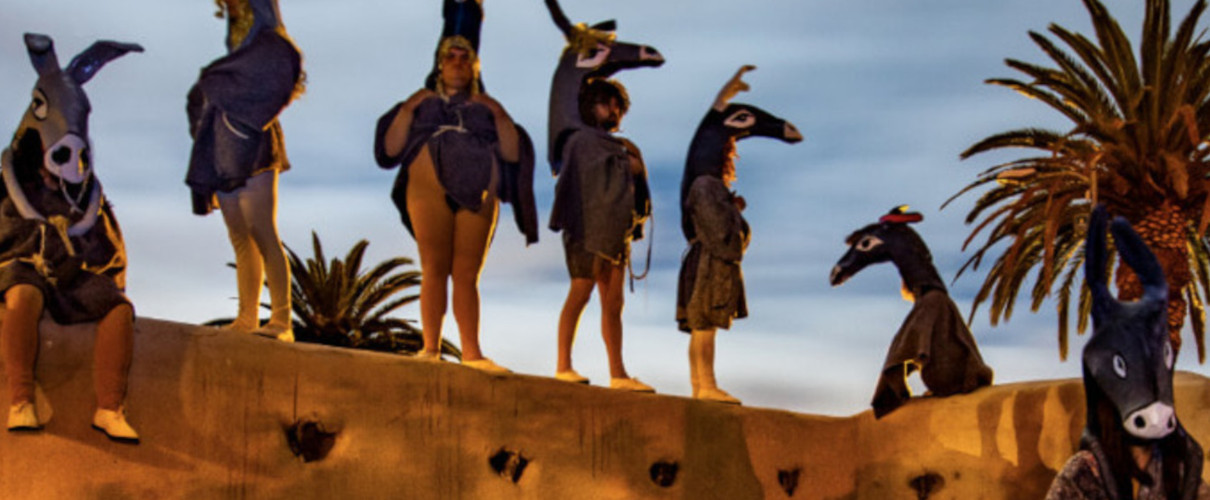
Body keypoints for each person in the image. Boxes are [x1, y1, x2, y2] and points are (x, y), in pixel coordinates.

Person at [374, 0, 537, 373]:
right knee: (433, 266)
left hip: (478, 191)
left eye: (465, 57)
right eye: (451, 56)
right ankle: (430, 347)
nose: (458, 62)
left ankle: (472, 353)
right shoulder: (422, 104)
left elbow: (512, 153)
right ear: (439, 62)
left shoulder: (486, 108)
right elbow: (391, 149)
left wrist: (498, 112)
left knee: (466, 274)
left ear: (475, 65)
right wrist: (408, 109)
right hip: (427, 188)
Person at [1, 33, 143, 441]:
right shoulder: (11, 185)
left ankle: (109, 408)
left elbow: (107, 248)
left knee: (118, 309)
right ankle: (21, 401)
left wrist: (80, 261)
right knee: (23, 293)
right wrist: (31, 248)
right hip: (23, 269)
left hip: (71, 276)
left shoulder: (86, 198)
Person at [676, 66, 802, 404]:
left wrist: (731, 209)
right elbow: (722, 233)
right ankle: (706, 385)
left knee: (701, 327)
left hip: (700, 258)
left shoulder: (701, 184)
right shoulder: (707, 185)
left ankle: (700, 385)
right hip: (711, 263)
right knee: (705, 327)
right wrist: (737, 218)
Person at [185, 0, 304, 342]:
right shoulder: (235, 32)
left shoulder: (267, 33)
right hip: (222, 137)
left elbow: (274, 67)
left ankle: (282, 320)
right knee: (239, 233)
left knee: (261, 228)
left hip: (255, 136)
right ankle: (247, 318)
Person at [549, 78, 654, 392]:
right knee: (580, 291)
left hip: (615, 232)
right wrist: (626, 164)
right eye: (607, 103)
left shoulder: (620, 146)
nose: (613, 110)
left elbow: (634, 187)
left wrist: (632, 164)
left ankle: (618, 374)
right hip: (585, 227)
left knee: (613, 302)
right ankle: (563, 365)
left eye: (618, 106)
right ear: (591, 106)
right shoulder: (581, 142)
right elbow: (583, 181)